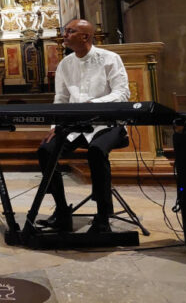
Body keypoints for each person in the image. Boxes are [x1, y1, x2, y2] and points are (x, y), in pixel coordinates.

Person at [36, 19, 130, 233]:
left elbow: (122, 93)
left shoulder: (110, 59)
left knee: (97, 151)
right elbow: (61, 99)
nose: (64, 35)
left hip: (108, 122)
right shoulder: (65, 64)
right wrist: (55, 125)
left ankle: (103, 215)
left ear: (85, 37)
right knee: (45, 151)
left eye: (70, 31)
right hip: (75, 124)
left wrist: (93, 104)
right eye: (65, 31)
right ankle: (61, 211)